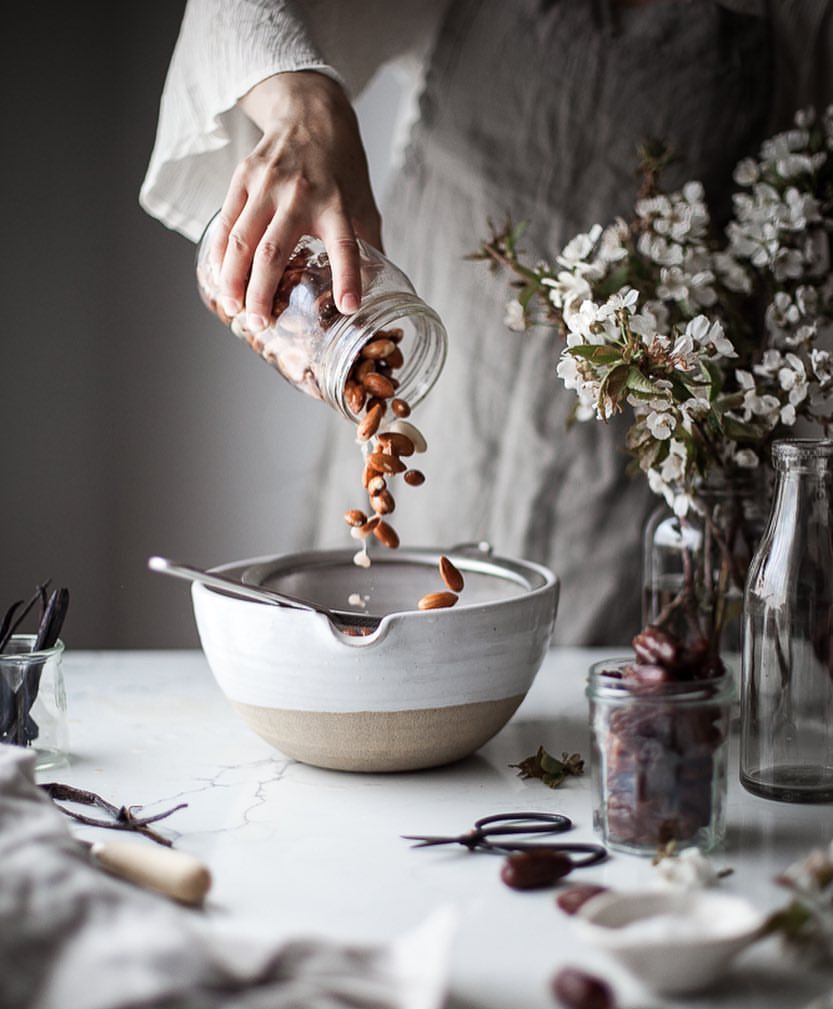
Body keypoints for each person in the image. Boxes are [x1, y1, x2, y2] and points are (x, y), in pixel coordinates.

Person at [140, 0, 833, 645]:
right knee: (385, 660)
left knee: (600, 719)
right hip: (447, 386)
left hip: (634, 479)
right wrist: (306, 105)